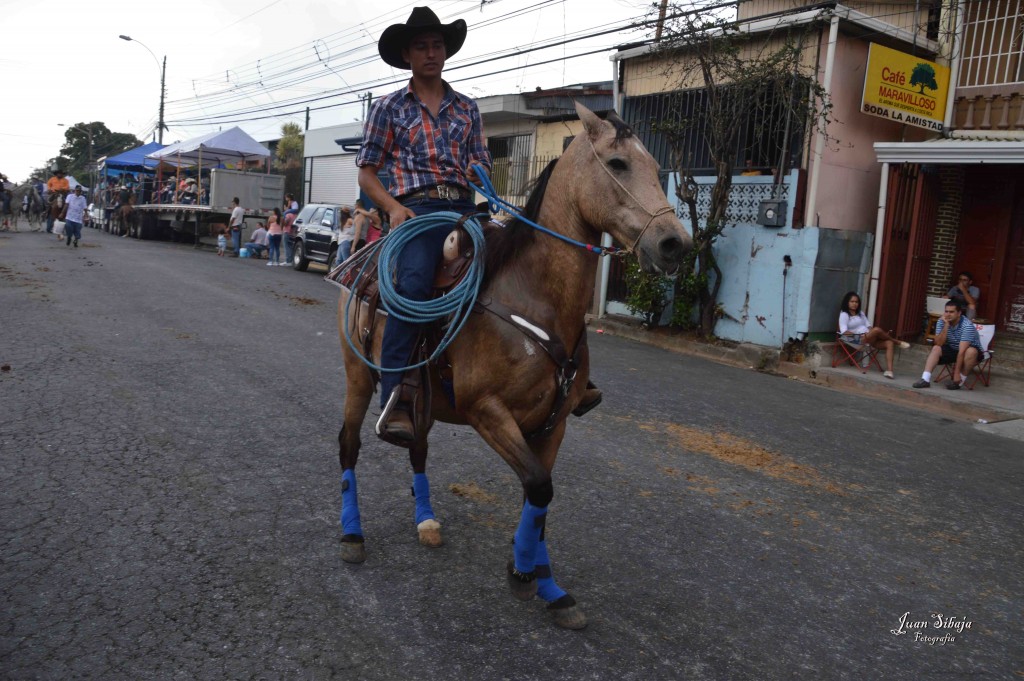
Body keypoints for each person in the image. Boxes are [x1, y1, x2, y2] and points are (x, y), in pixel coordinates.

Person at [356, 6, 491, 441]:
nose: (431, 52)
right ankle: (395, 397)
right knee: (413, 285)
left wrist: (478, 173)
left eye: (437, 45)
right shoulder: (389, 108)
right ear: (407, 54)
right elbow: (367, 173)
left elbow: (482, 161)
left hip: (468, 210)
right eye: (421, 46)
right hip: (418, 212)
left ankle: (558, 375)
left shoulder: (468, 108)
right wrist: (393, 208)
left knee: (524, 263)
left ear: (445, 51)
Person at [913, 298, 983, 390]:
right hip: (953, 349)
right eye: (946, 311)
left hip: (969, 352)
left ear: (959, 313)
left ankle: (959, 381)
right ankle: (925, 379)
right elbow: (938, 343)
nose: (948, 314)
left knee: (971, 351)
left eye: (951, 312)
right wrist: (946, 325)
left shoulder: (967, 326)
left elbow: (962, 351)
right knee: (936, 348)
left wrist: (956, 374)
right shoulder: (941, 321)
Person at [838, 291, 910, 379]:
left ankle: (889, 371)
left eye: (856, 302)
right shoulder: (844, 314)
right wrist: (859, 335)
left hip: (869, 338)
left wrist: (872, 334)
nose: (854, 304)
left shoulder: (860, 313)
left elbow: (869, 326)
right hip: (857, 339)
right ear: (847, 302)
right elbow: (844, 331)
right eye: (852, 302)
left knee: (888, 343)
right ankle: (897, 341)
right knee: (877, 330)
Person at [45, 169, 70, 233]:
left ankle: (67, 212)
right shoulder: (52, 179)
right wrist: (50, 189)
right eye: (59, 173)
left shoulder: (65, 180)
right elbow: (48, 184)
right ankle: (46, 211)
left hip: (63, 193)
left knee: (68, 202)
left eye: (61, 173)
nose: (60, 174)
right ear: (56, 174)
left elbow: (67, 187)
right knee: (48, 201)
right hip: (54, 193)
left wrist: (63, 189)